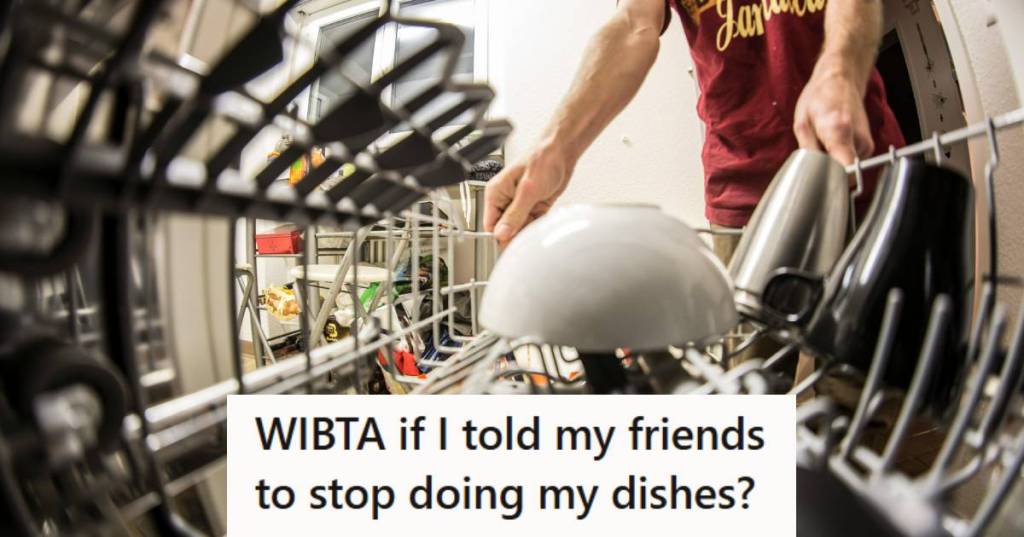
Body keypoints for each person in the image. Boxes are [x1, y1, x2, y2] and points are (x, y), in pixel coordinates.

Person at [482, 0, 905, 374]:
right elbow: (634, 24)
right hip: (741, 193)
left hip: (853, 160)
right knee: (749, 379)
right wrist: (555, 149)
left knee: (861, 390)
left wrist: (840, 68)